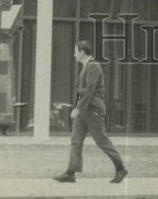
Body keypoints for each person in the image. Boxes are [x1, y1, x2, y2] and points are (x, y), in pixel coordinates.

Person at [54, 40, 128, 184]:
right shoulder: (86, 66)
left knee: (101, 140)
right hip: (85, 110)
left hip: (93, 110)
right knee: (76, 140)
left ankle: (120, 168)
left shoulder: (94, 66)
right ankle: (70, 173)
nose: (74, 55)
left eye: (75, 52)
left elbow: (89, 90)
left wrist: (78, 108)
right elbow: (85, 91)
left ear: (82, 52)